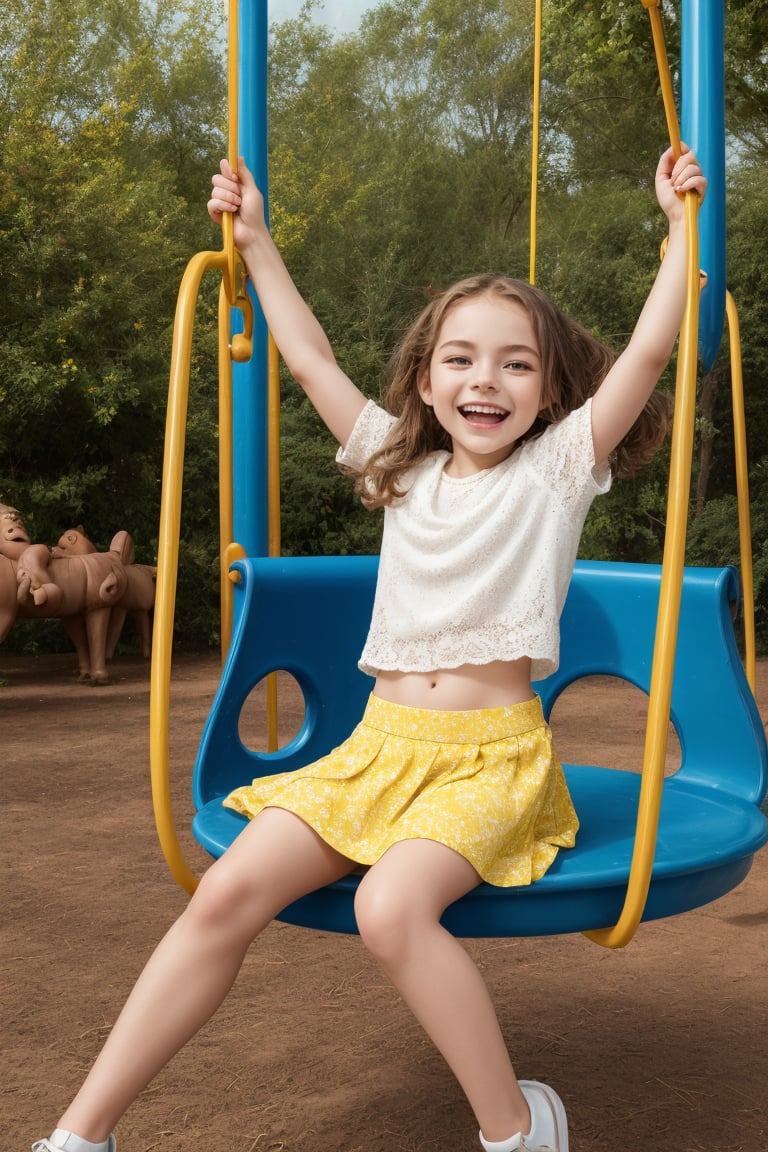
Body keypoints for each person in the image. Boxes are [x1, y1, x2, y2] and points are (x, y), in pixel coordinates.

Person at [32, 142, 705, 1152]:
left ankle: (518, 1127)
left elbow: (649, 356)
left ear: (552, 389)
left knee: (393, 908)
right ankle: (80, 1136)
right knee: (226, 895)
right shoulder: (399, 469)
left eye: (517, 363)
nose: (488, 380)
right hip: (376, 752)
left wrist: (679, 230)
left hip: (492, 762)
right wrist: (255, 241)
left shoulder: (559, 472)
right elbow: (306, 358)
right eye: (462, 360)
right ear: (425, 384)